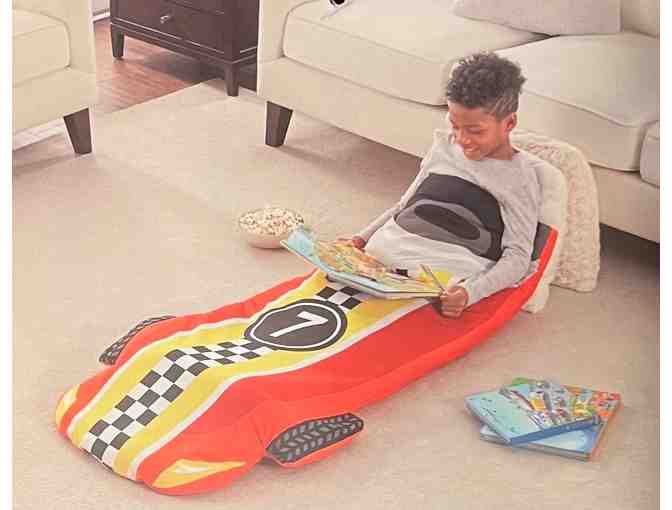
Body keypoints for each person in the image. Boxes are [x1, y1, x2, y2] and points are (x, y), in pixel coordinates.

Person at [347, 52, 551, 319]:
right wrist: (360, 239)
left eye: (475, 131)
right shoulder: (444, 147)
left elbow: (518, 256)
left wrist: (470, 293)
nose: (462, 139)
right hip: (389, 252)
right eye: (455, 126)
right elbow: (404, 205)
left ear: (509, 123)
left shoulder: (518, 178)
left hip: (446, 270)